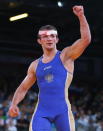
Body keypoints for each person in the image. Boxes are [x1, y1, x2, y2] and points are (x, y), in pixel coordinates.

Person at [8, 5, 91, 131]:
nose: (49, 39)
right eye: (45, 36)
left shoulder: (66, 56)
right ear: (39, 41)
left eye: (52, 36)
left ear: (57, 39)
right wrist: (13, 104)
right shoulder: (35, 65)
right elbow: (23, 88)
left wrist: (81, 16)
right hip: (42, 112)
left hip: (62, 111)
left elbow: (85, 40)